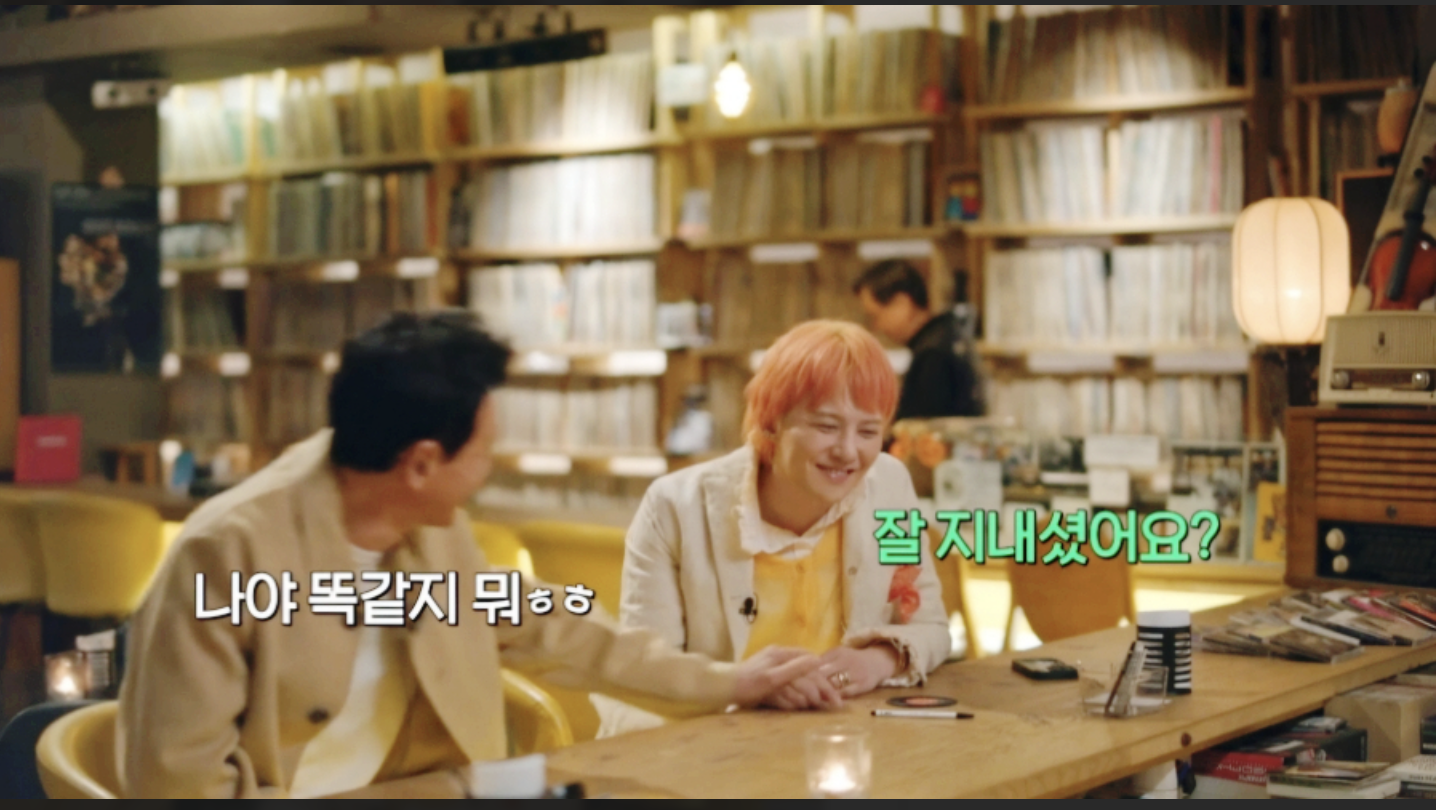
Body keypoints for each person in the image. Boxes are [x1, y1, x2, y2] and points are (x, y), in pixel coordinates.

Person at [116, 311, 827, 799]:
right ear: (422, 463)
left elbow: (557, 628)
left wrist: (731, 681)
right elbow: (178, 781)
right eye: (483, 451)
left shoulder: (427, 528)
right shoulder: (226, 554)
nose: (491, 467)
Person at [595, 320, 951, 738]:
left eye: (868, 431)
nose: (848, 451)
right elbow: (644, 678)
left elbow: (930, 628)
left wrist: (877, 661)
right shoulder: (674, 508)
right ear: (771, 421)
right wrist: (744, 689)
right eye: (826, 426)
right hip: (712, 751)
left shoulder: (889, 488)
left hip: (845, 747)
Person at [853, 260, 983, 423]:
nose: (876, 327)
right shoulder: (944, 337)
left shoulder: (933, 355)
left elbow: (921, 430)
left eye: (876, 316)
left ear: (902, 303)